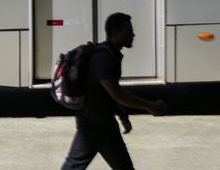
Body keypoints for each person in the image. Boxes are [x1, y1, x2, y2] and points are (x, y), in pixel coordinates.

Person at [63, 12, 167, 170]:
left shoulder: (110, 54)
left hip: (103, 121)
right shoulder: (104, 57)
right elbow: (116, 93)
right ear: (115, 32)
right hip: (93, 122)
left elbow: (105, 92)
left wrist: (121, 113)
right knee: (74, 165)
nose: (133, 34)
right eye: (128, 30)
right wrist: (149, 105)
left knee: (123, 167)